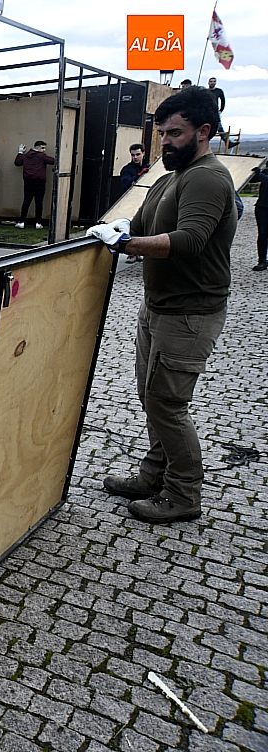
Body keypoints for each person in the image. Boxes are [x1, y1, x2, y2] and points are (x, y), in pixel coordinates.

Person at [87, 86, 237, 524]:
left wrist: (128, 243)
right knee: (153, 398)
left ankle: (184, 494)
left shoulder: (207, 177)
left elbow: (190, 241)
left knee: (168, 404)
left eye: (175, 133)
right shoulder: (170, 176)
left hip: (190, 313)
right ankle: (154, 475)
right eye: (162, 134)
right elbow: (140, 223)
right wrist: (113, 230)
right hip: (159, 307)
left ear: (203, 131)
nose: (166, 142)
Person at [14, 140, 55, 229]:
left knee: (26, 201)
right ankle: (38, 222)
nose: (44, 150)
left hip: (28, 181)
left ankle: (21, 222)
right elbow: (53, 161)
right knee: (39, 202)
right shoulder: (42, 156)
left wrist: (20, 152)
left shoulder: (26, 156)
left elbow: (17, 163)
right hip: (39, 182)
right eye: (42, 148)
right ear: (37, 148)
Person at [251, 162, 268, 271]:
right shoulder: (265, 172)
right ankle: (262, 260)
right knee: (263, 234)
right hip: (263, 207)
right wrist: (255, 173)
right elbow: (252, 180)